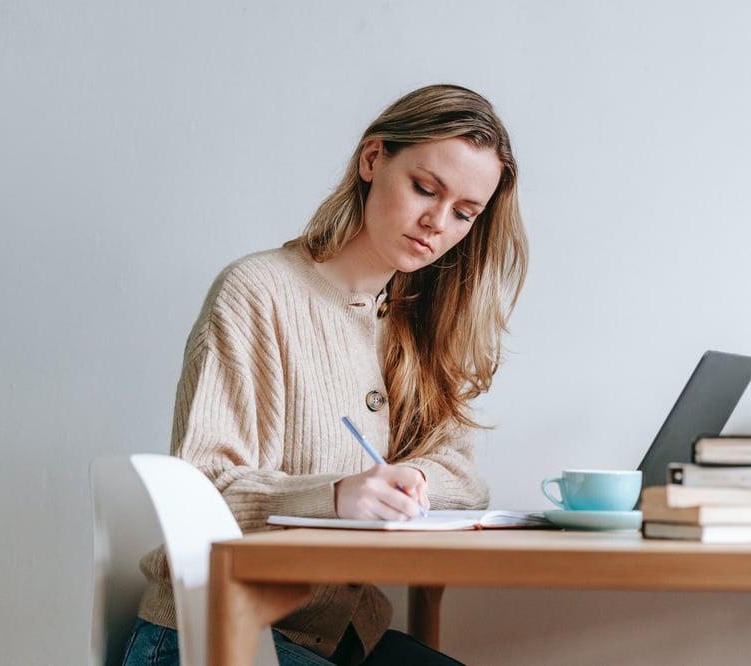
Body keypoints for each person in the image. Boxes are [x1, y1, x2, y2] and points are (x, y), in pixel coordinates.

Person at [123, 84, 528, 666]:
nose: (437, 223)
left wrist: (407, 481)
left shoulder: (418, 324)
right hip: (206, 635)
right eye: (424, 188)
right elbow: (202, 491)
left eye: (464, 213)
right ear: (372, 160)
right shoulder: (257, 293)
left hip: (342, 639)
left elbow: (463, 478)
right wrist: (337, 496)